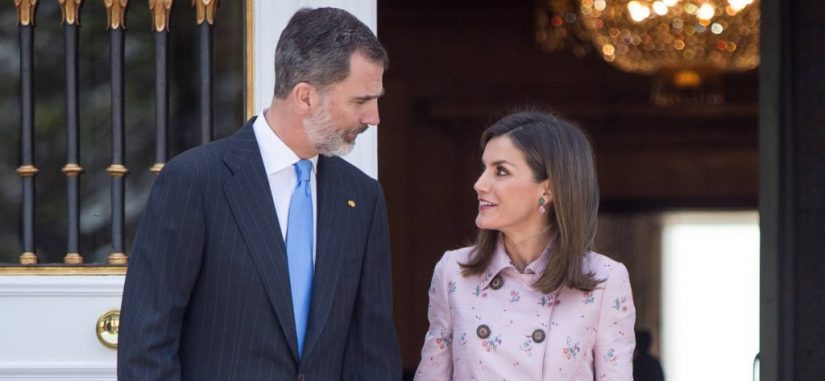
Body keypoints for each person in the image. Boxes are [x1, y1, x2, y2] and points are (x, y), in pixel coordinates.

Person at [118, 7, 401, 380]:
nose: (374, 117)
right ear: (305, 97)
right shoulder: (194, 181)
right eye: (361, 100)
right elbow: (147, 343)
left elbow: (373, 350)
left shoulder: (362, 197)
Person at [414, 111, 636, 380]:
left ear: (548, 190)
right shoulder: (454, 272)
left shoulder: (604, 279)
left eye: (501, 171)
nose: (479, 184)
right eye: (484, 168)